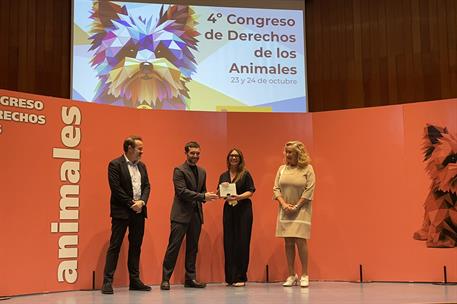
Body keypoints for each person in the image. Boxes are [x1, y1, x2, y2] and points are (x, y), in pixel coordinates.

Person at [160, 141, 218, 290]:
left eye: (198, 153)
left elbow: (202, 192)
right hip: (180, 215)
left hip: (196, 215)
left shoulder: (203, 171)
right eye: (192, 153)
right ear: (186, 153)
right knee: (174, 247)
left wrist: (210, 195)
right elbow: (182, 192)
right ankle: (165, 279)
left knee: (193, 248)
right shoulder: (178, 170)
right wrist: (203, 196)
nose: (195, 156)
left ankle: (190, 278)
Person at [101, 136, 151, 294]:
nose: (142, 151)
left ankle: (134, 281)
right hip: (122, 211)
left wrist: (142, 202)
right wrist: (132, 204)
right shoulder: (115, 164)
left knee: (136, 246)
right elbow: (116, 189)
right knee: (115, 246)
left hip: (139, 211)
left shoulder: (142, 166)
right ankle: (107, 282)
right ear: (130, 148)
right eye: (139, 149)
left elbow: (147, 186)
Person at [273, 141, 316, 288]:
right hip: (285, 210)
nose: (287, 155)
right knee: (288, 242)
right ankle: (292, 275)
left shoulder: (308, 169)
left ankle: (304, 274)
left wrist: (297, 206)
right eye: (286, 152)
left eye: (290, 152)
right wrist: (284, 205)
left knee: (300, 242)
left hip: (302, 210)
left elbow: (309, 190)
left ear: (298, 153)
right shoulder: (281, 169)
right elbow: (276, 189)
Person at [217, 148, 255, 287]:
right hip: (229, 210)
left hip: (243, 210)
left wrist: (238, 197)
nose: (233, 158)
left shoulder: (245, 174)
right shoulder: (223, 175)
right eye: (231, 156)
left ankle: (241, 277)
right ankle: (230, 277)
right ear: (228, 158)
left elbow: (251, 191)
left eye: (236, 156)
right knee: (229, 242)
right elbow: (220, 194)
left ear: (240, 158)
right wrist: (221, 190)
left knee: (242, 242)